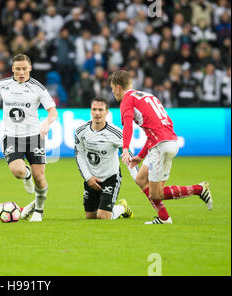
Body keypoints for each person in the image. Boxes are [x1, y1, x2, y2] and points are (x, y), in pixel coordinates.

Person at [109, 70, 213, 224]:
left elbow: (128, 126)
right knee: (140, 179)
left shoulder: (127, 100)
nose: (112, 91)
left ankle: (199, 189)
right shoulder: (147, 96)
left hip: (161, 145)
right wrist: (141, 156)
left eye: (112, 88)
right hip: (166, 142)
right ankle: (164, 217)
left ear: (118, 87)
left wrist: (125, 148)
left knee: (156, 193)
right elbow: (155, 130)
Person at [0, 53, 58, 222]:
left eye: (24, 69)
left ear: (30, 69)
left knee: (39, 177)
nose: (21, 72)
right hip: (11, 136)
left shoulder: (37, 87)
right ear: (12, 69)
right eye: (18, 69)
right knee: (18, 171)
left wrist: (47, 123)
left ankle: (39, 212)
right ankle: (26, 176)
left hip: (34, 135)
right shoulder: (2, 85)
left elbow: (53, 111)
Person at [74, 97, 135, 220]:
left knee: (103, 216)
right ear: (90, 111)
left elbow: (128, 155)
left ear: (107, 112)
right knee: (90, 216)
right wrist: (88, 177)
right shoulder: (81, 131)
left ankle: (122, 208)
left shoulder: (116, 133)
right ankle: (114, 208)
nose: (97, 113)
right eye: (94, 109)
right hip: (91, 178)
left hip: (110, 177)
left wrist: (137, 176)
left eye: (100, 110)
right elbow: (79, 155)